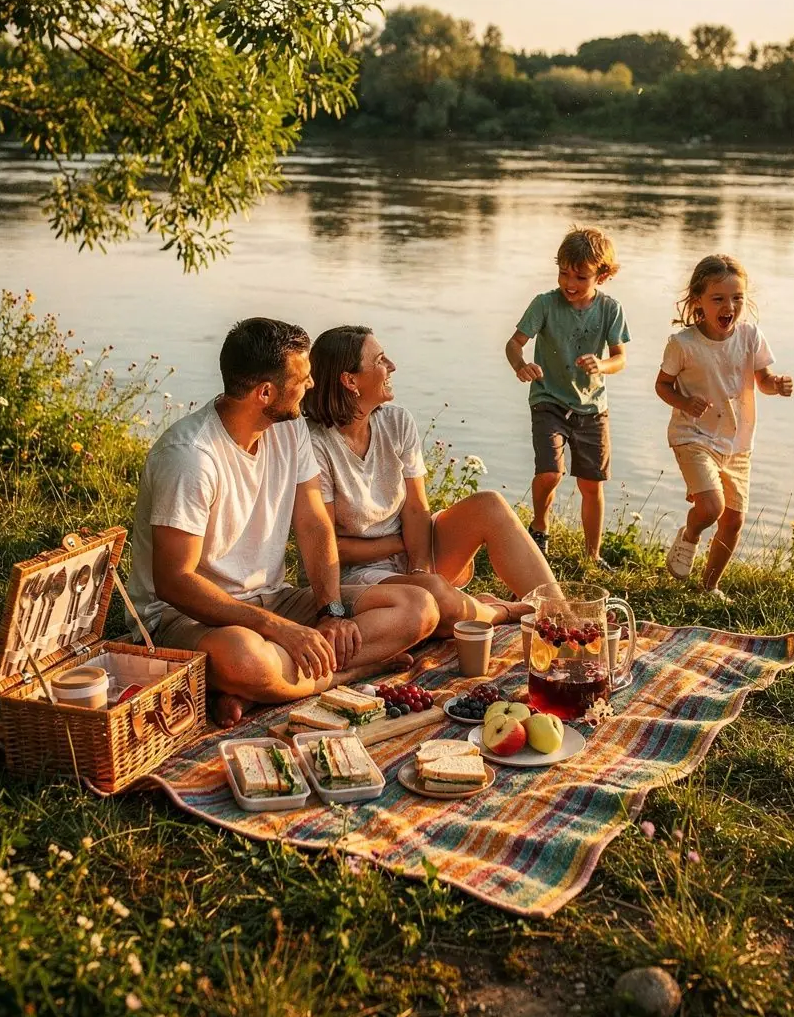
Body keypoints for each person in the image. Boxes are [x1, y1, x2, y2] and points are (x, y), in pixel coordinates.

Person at [127, 318, 440, 727]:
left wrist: (331, 610)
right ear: (265, 393)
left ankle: (259, 686)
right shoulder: (190, 458)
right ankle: (344, 674)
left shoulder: (289, 430)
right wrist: (277, 629)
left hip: (273, 598)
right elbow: (174, 582)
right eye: (302, 378)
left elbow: (313, 524)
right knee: (245, 657)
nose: (312, 384)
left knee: (418, 607)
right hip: (186, 616)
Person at [301, 325, 560, 635]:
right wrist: (401, 544)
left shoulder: (396, 421)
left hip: (414, 548)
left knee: (489, 505)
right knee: (435, 595)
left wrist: (420, 567)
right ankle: (503, 611)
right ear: (350, 380)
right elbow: (328, 546)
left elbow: (416, 509)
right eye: (380, 360)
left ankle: (563, 614)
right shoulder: (315, 444)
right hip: (357, 574)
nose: (392, 366)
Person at [655, 254, 793, 597]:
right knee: (711, 508)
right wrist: (684, 402)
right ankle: (690, 534)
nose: (729, 306)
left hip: (737, 440)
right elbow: (662, 385)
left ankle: (709, 587)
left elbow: (763, 380)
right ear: (698, 301)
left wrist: (776, 384)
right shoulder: (683, 344)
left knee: (733, 519)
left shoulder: (750, 336)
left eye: (737, 298)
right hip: (693, 435)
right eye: (718, 298)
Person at [505, 226, 630, 566]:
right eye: (563, 273)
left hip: (593, 407)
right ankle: (539, 526)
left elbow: (620, 358)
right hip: (548, 400)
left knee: (592, 485)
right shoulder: (545, 304)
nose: (569, 283)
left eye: (580, 277)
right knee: (550, 472)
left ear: (601, 276)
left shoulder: (611, 309)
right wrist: (521, 365)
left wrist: (601, 365)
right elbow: (514, 343)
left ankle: (593, 555)